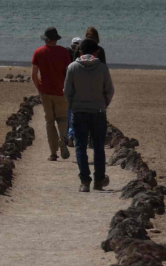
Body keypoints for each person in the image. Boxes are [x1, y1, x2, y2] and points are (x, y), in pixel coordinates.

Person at [63, 38, 114, 191]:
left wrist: (73, 104)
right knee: (98, 147)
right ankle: (99, 180)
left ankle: (85, 181)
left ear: (80, 52)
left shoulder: (72, 67)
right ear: (96, 52)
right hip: (98, 112)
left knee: (80, 147)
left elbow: (67, 92)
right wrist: (104, 104)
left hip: (78, 112)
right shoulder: (102, 68)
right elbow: (109, 91)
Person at [30, 26, 72, 161]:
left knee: (49, 121)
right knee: (62, 118)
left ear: (46, 39)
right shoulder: (64, 52)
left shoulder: (38, 52)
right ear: (56, 39)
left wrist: (39, 89)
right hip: (61, 91)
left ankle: (53, 153)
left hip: (46, 91)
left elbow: (34, 75)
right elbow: (69, 73)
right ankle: (62, 138)